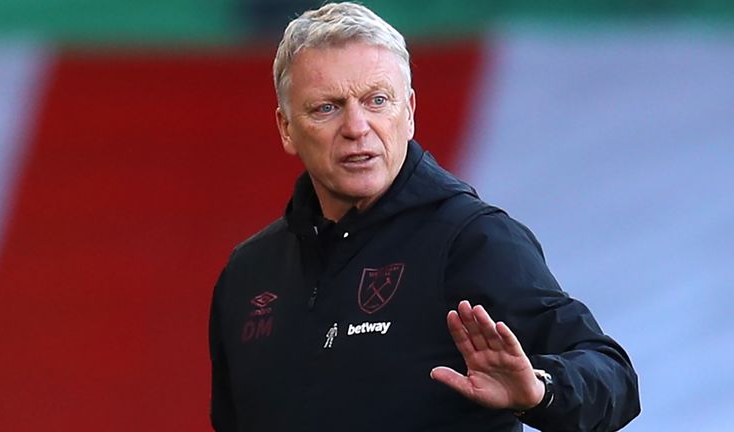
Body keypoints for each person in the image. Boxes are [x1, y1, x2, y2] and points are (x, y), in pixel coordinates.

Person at [209, 2, 640, 431]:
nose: (357, 126)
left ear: (410, 112)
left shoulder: (472, 240)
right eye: (327, 107)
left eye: (377, 100)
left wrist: (541, 388)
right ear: (286, 128)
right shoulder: (249, 273)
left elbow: (613, 376)